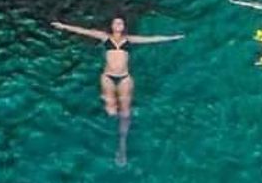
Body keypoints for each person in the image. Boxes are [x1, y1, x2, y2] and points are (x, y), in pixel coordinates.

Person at [50, 16, 184, 164]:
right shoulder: (104, 37)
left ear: (124, 26)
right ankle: (108, 127)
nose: (119, 24)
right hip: (108, 77)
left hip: (124, 77)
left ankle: (122, 146)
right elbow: (84, 31)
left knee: (125, 113)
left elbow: (151, 39)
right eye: (116, 22)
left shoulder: (129, 39)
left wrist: (172, 37)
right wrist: (63, 26)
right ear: (112, 26)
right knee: (111, 111)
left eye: (121, 22)